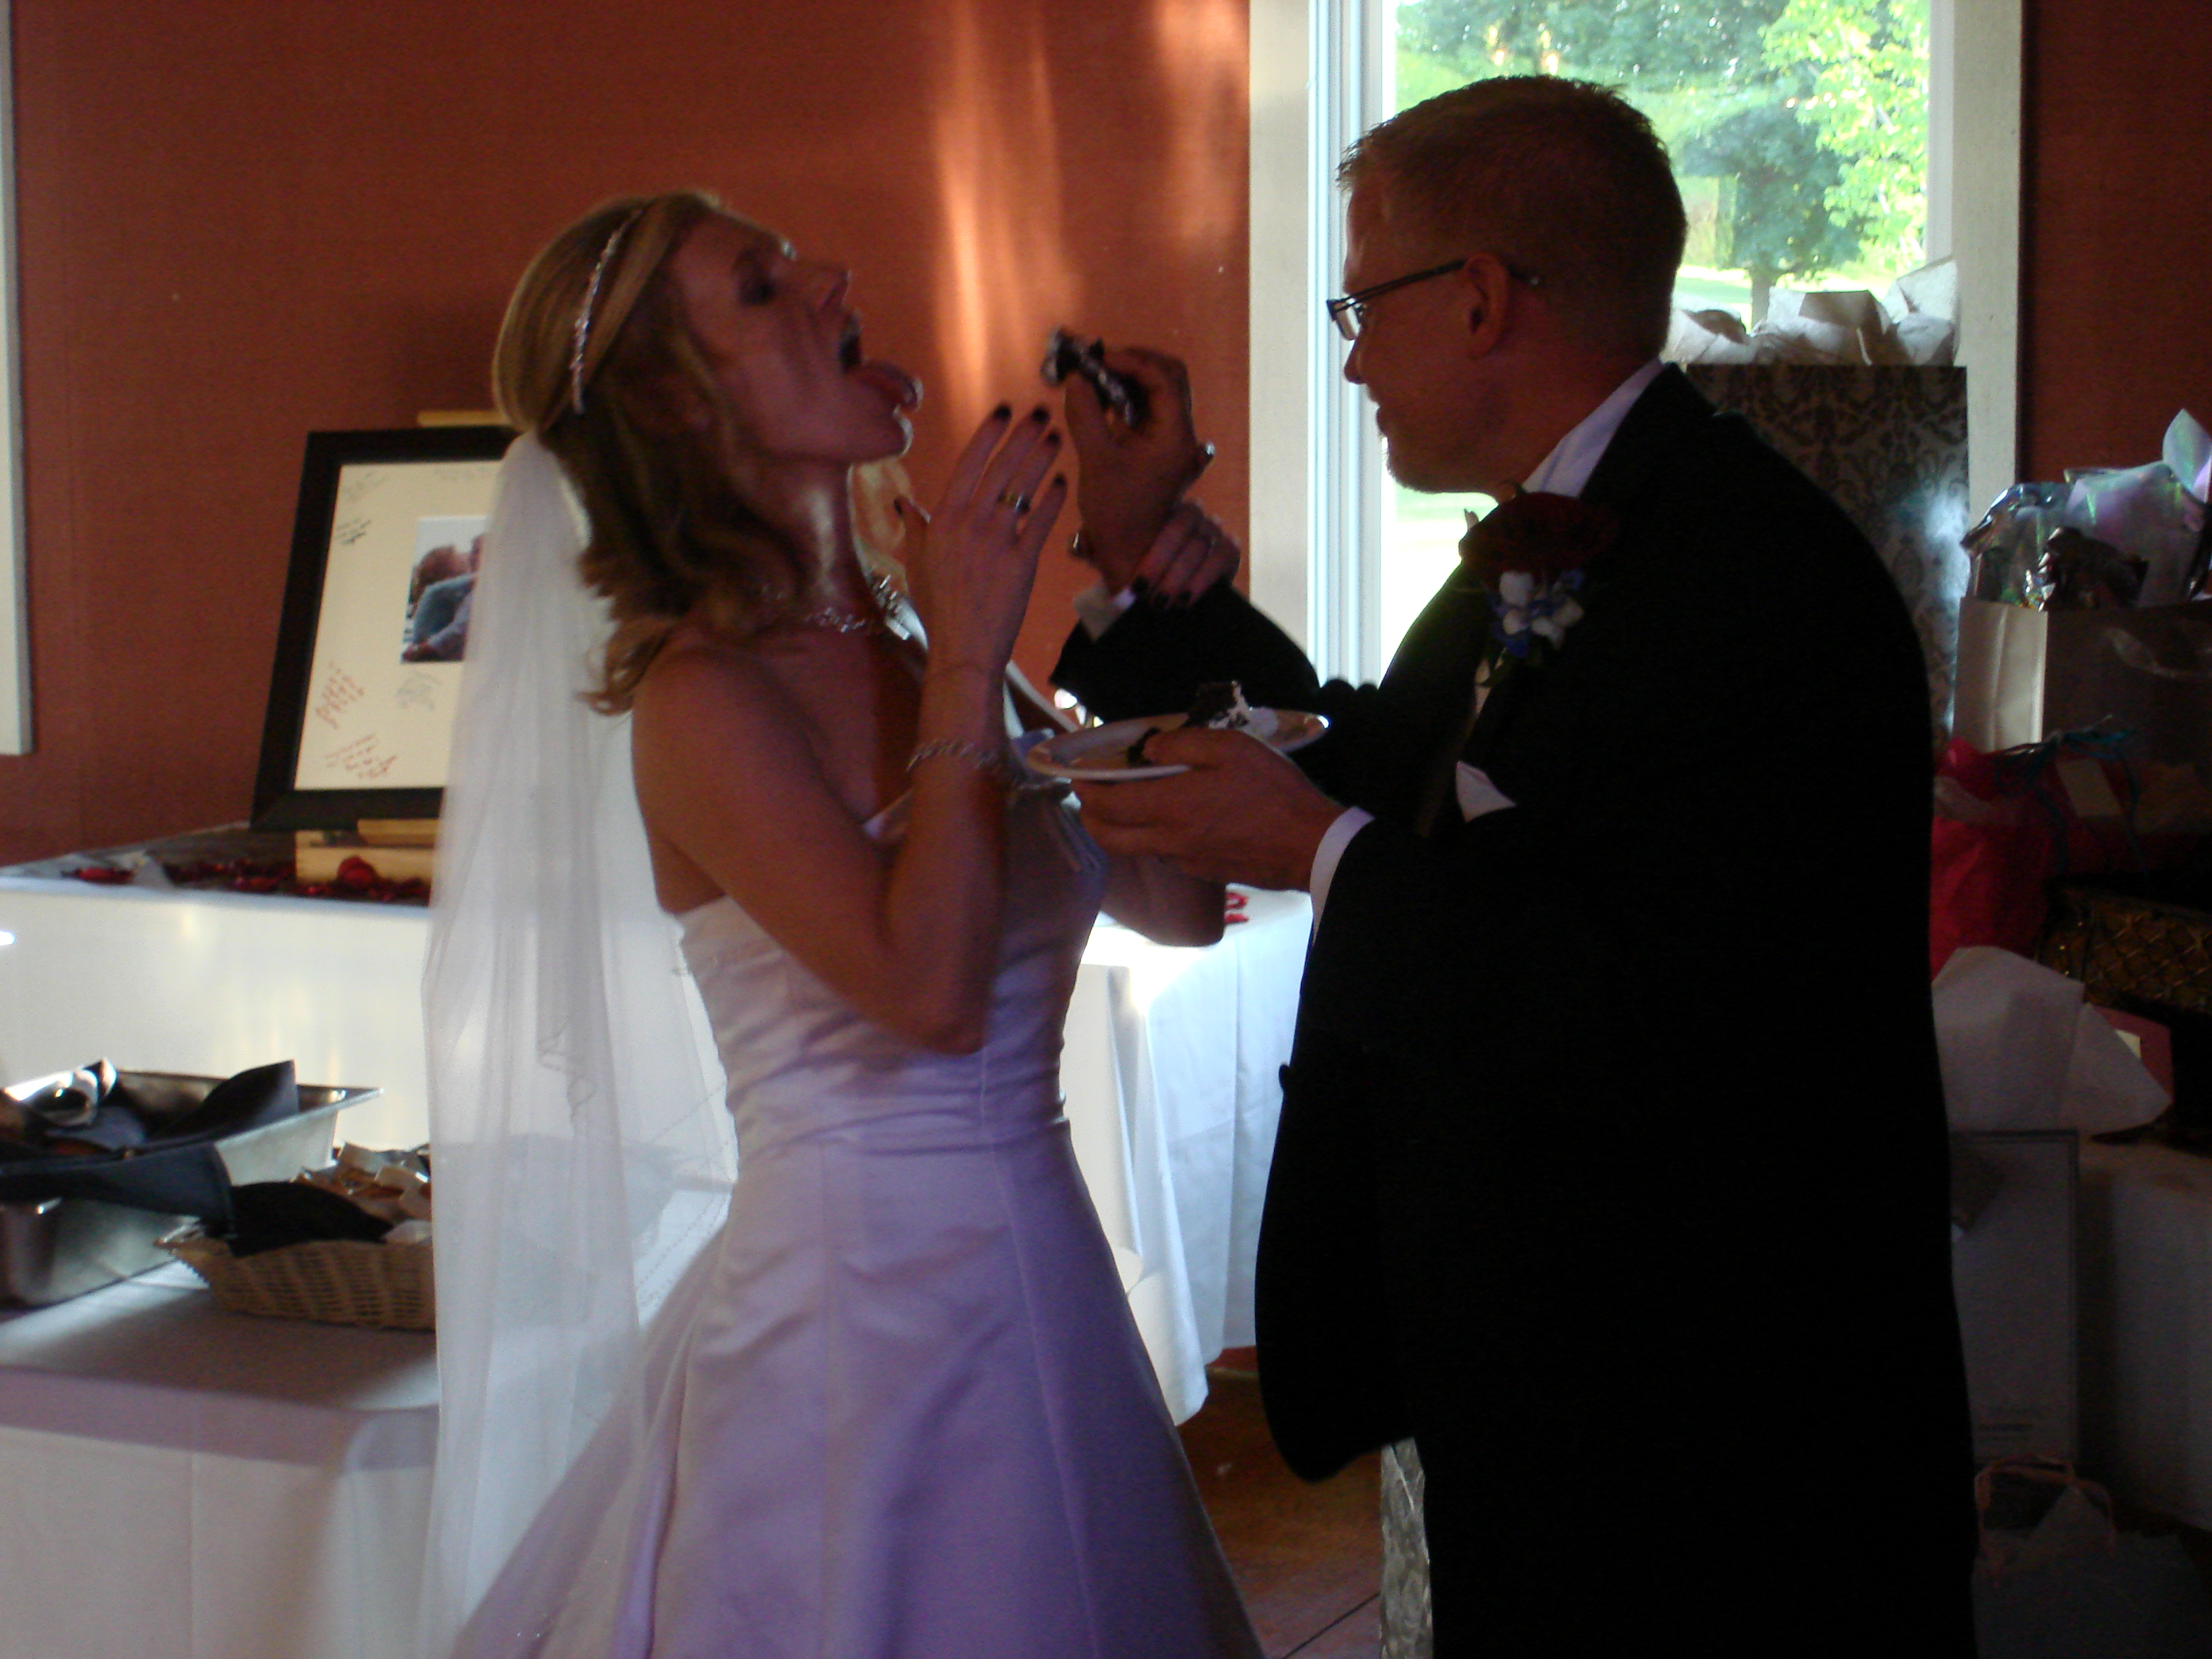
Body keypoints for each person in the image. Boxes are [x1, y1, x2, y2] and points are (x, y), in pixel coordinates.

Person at [1050, 79, 1975, 1656]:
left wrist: (1317, 851)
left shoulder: (1753, 581)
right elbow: (1378, 751)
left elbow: (1643, 1005)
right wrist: (1142, 558)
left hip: (1720, 1448)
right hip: (1564, 1407)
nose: (1351, 358)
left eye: (1364, 305)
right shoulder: (1569, 534)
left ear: (1480, 298)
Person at [420, 190, 1261, 1659]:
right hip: (855, 1338)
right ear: (678, 404)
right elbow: (930, 996)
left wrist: (1135, 586)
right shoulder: (703, 699)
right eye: (762, 287)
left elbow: (1177, 900)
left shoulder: (920, 632)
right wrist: (973, 655)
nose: (830, 278)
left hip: (1039, 1284)